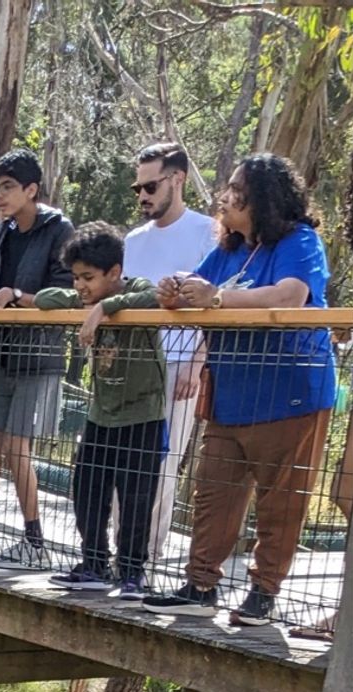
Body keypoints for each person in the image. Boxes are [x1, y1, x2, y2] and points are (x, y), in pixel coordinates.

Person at [144, 152, 338, 626]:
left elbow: (292, 295)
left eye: (237, 191)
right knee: (213, 490)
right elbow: (200, 285)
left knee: (281, 500)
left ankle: (263, 592)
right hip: (231, 396)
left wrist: (218, 298)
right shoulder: (230, 249)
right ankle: (199, 584)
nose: (225, 198)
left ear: (264, 200)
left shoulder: (299, 241)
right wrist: (175, 291)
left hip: (290, 394)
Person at [0, 148, 75, 563]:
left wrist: (14, 297)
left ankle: (35, 542)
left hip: (38, 356)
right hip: (0, 352)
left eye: (7, 187)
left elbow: (66, 295)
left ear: (31, 189)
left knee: (16, 447)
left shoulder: (60, 231)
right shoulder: (1, 233)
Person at [32, 223, 167, 599]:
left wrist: (107, 306)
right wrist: (83, 301)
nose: (80, 285)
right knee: (87, 490)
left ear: (115, 273)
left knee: (136, 498)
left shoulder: (135, 290)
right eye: (76, 277)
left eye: (88, 277)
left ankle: (132, 571)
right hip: (101, 416)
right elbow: (45, 299)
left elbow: (154, 297)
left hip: (143, 418)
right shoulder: (83, 297)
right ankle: (93, 562)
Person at [122, 142, 216, 560]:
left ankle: (145, 555)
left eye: (150, 186)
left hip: (179, 366)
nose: (142, 195)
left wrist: (195, 365)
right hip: (130, 367)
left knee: (162, 463)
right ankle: (112, 551)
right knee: (119, 460)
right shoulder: (133, 240)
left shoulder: (206, 233)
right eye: (137, 188)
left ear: (177, 180)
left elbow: (216, 304)